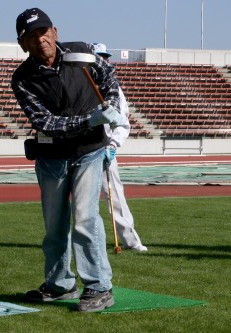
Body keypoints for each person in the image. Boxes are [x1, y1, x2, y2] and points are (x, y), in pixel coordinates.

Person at [11, 8, 123, 312]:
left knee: (86, 218)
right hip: (51, 156)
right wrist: (91, 119)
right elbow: (47, 123)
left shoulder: (83, 53)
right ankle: (60, 285)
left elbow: (108, 75)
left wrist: (110, 103)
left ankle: (99, 286)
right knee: (55, 226)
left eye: (44, 32)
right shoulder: (22, 79)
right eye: (31, 37)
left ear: (55, 32)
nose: (40, 40)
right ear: (23, 45)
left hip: (89, 150)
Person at [92, 42, 147, 252]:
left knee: (115, 195)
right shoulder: (80, 85)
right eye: (98, 58)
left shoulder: (115, 88)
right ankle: (82, 241)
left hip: (106, 148)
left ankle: (132, 241)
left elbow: (123, 121)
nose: (102, 62)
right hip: (82, 149)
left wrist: (113, 145)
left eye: (104, 57)